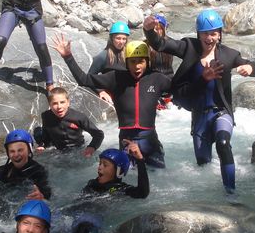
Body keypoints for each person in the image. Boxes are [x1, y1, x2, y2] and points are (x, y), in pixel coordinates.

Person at [143, 9, 255, 193]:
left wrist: (249, 67)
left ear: (219, 34)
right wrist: (149, 30)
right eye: (205, 33)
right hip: (199, 116)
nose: (209, 38)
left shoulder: (229, 55)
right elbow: (161, 44)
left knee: (223, 143)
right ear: (199, 34)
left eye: (213, 33)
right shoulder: (189, 48)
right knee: (203, 165)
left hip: (221, 112)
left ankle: (231, 193)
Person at [52, 35, 171, 168]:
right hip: (127, 140)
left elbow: (180, 89)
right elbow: (84, 80)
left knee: (159, 177)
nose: (137, 66)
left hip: (150, 140)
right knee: (128, 179)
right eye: (133, 61)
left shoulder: (157, 79)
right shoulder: (115, 78)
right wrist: (68, 57)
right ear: (126, 62)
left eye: (141, 61)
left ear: (147, 62)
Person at [0, 129, 51, 200]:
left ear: (29, 150)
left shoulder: (38, 171)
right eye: (12, 151)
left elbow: (46, 192)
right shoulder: (4, 170)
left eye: (20, 150)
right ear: (8, 153)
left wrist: (42, 195)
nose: (16, 155)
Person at [34, 87, 104, 157]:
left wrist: (92, 147)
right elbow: (46, 137)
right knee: (37, 132)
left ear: (68, 102)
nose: (59, 106)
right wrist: (42, 145)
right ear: (50, 105)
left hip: (78, 149)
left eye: (62, 102)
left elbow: (99, 134)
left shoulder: (78, 117)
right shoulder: (46, 116)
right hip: (58, 150)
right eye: (55, 103)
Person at [83, 139, 149, 198]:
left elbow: (142, 193)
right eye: (100, 163)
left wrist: (140, 160)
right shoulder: (92, 184)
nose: (99, 167)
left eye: (105, 165)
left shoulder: (119, 189)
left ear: (119, 171)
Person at [88, 21, 130, 104]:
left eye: (124, 39)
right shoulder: (103, 56)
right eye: (118, 38)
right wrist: (100, 91)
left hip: (126, 92)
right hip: (112, 94)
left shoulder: (128, 54)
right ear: (112, 38)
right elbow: (90, 77)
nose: (121, 42)